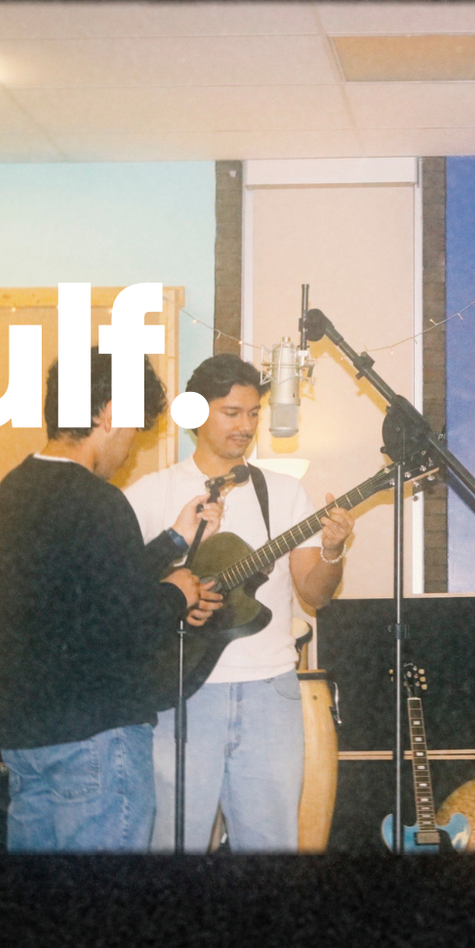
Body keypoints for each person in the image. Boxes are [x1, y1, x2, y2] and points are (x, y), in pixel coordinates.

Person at [0, 351, 224, 852]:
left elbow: (83, 596)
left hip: (28, 742)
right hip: (98, 742)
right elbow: (126, 624)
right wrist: (176, 595)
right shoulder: (99, 499)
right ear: (108, 414)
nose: (131, 446)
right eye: (133, 427)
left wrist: (175, 540)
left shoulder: (13, 489)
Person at [122, 353, 353, 853]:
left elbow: (314, 594)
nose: (245, 426)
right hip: (180, 693)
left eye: (253, 414)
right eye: (232, 412)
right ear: (196, 413)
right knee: (172, 845)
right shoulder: (151, 494)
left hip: (271, 690)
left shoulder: (285, 492)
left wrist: (332, 553)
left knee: (271, 845)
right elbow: (120, 594)